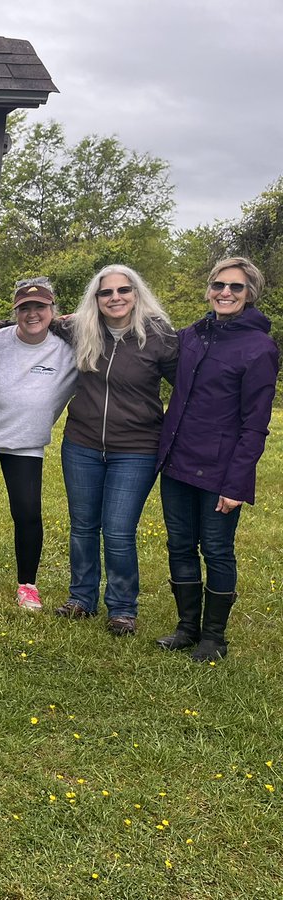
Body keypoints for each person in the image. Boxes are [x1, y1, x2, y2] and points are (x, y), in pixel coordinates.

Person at [155, 257, 278, 662]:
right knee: (179, 545)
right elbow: (143, 337)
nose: (226, 292)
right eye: (219, 285)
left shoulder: (259, 348)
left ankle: (214, 637)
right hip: (177, 461)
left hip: (221, 470)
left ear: (249, 294)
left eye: (236, 287)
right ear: (209, 289)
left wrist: (236, 483)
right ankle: (187, 628)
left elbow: (255, 423)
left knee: (217, 550)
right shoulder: (191, 335)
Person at [52, 265, 177, 635]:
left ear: (136, 294)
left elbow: (189, 386)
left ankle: (122, 609)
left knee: (119, 531)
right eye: (106, 293)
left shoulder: (159, 336)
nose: (115, 298)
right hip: (82, 445)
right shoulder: (81, 329)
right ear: (96, 299)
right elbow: (39, 320)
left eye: (124, 290)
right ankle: (81, 598)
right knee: (83, 527)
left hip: (136, 449)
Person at [0, 277, 77, 610]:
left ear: (52, 310)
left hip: (25, 444)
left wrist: (63, 321)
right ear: (15, 312)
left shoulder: (68, 352)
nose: (32, 314)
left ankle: (27, 585)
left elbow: (92, 319)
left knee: (27, 512)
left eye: (40, 307)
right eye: (24, 308)